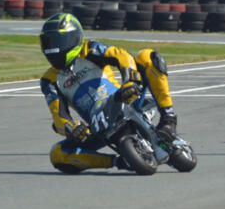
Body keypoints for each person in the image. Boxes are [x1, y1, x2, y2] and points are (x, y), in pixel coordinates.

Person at [39, 13, 180, 173]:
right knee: (57, 154)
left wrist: (130, 80)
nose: (52, 49)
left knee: (147, 57)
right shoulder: (48, 80)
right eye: (48, 43)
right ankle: (119, 162)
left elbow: (121, 55)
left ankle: (169, 119)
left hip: (124, 98)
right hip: (97, 125)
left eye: (58, 42)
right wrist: (71, 128)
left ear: (73, 38)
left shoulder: (90, 50)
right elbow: (58, 116)